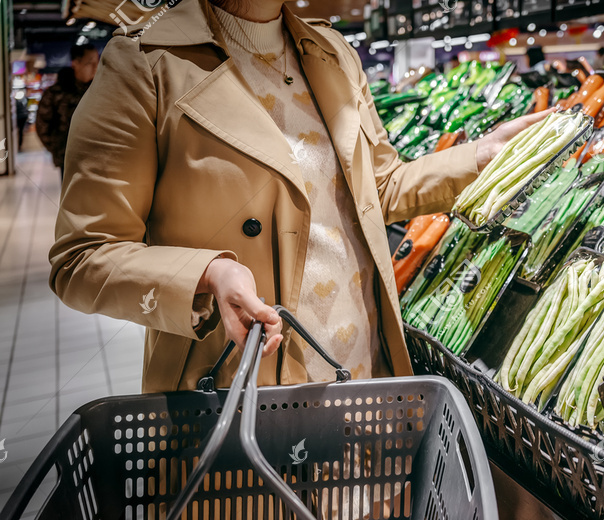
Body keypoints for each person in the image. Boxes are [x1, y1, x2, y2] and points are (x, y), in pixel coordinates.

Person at [49, 0, 547, 393]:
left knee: (366, 517)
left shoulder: (331, 53)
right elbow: (84, 256)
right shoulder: (143, 64)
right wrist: (208, 273)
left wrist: (480, 156)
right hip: (239, 384)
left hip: (360, 371)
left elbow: (379, 188)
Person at [35, 44, 98, 178]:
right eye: (89, 63)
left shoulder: (99, 90)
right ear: (75, 63)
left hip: (99, 156)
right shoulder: (56, 92)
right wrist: (59, 149)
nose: (95, 68)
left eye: (97, 63)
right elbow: (42, 124)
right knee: (72, 197)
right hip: (68, 158)